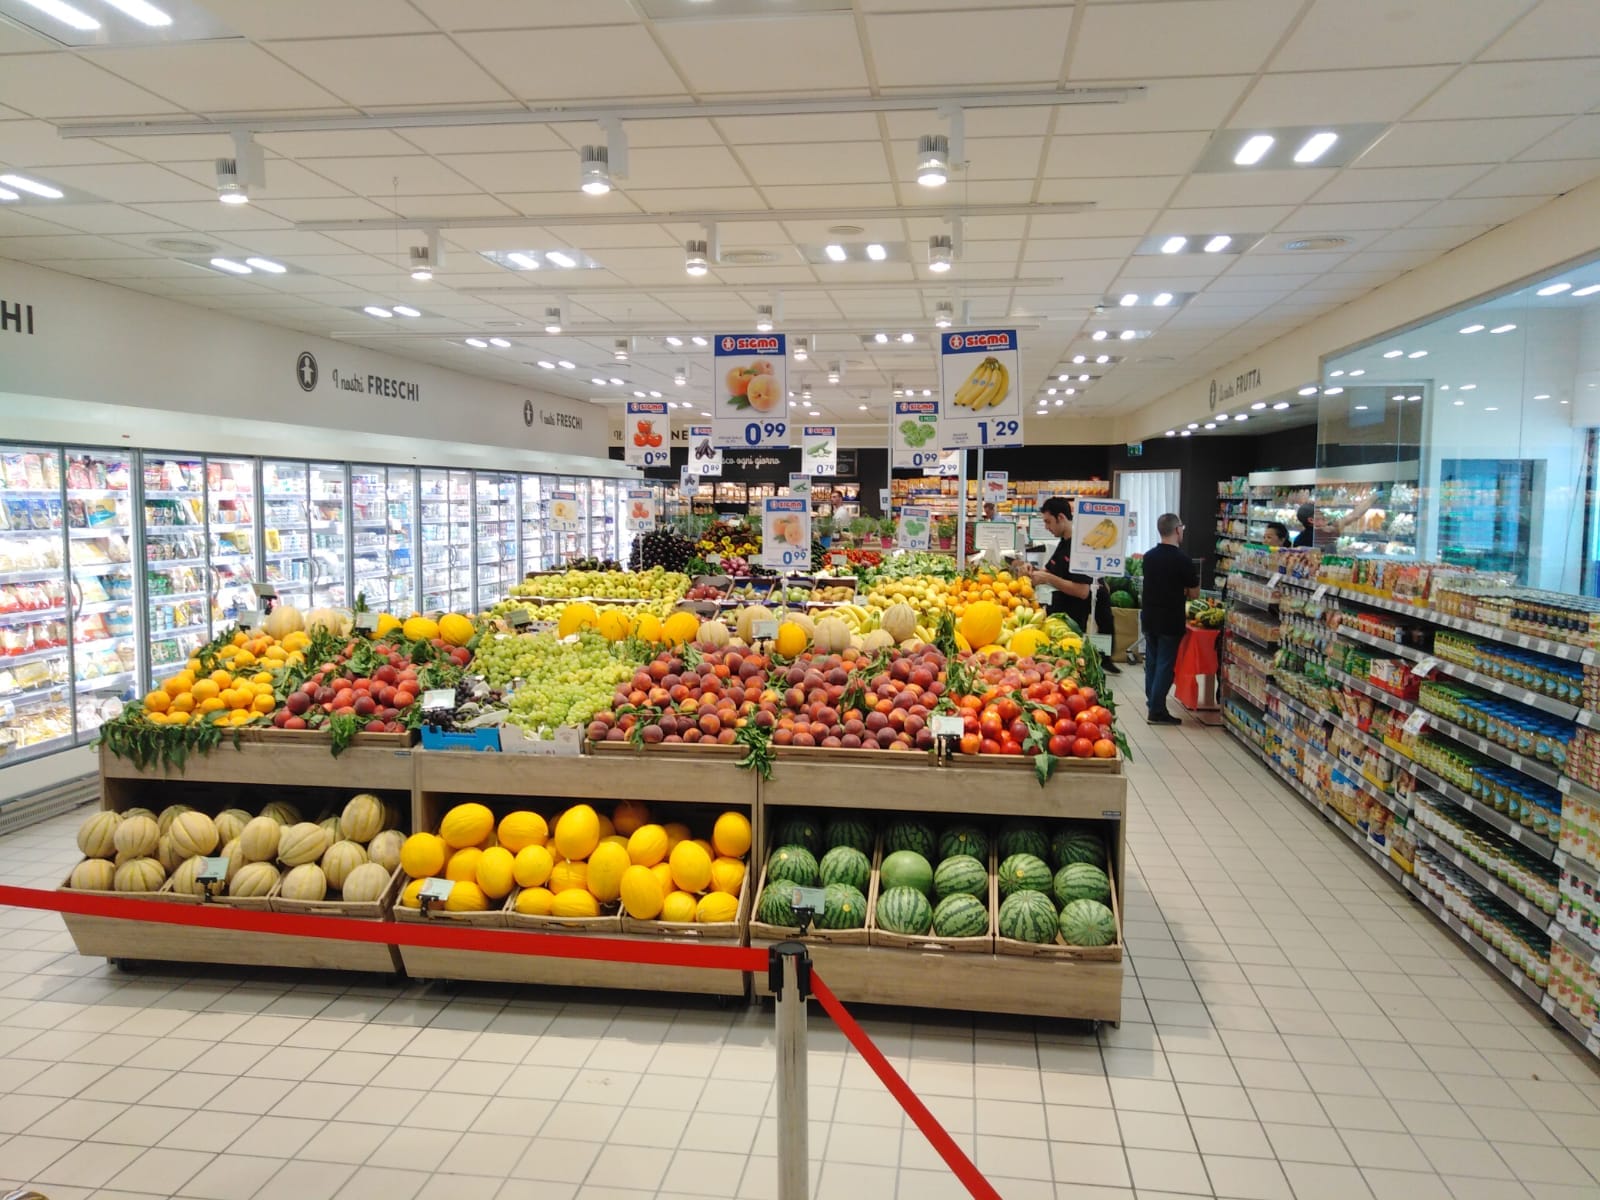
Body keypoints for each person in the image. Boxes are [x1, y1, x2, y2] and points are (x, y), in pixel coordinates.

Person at [1028, 497, 1120, 672]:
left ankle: (1104, 662)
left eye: (1048, 522)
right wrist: (1031, 570)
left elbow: (1082, 591)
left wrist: (1048, 578)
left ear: (1061, 517)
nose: (1046, 527)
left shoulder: (1082, 546)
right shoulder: (1063, 542)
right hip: (1066, 616)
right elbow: (1049, 570)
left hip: (1078, 620)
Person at [1141, 513, 1200, 724]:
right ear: (1177, 530)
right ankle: (1157, 710)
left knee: (1152, 663)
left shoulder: (1149, 556)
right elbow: (1194, 594)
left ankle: (1152, 701)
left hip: (1149, 616)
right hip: (1170, 619)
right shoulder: (1183, 560)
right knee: (1165, 665)